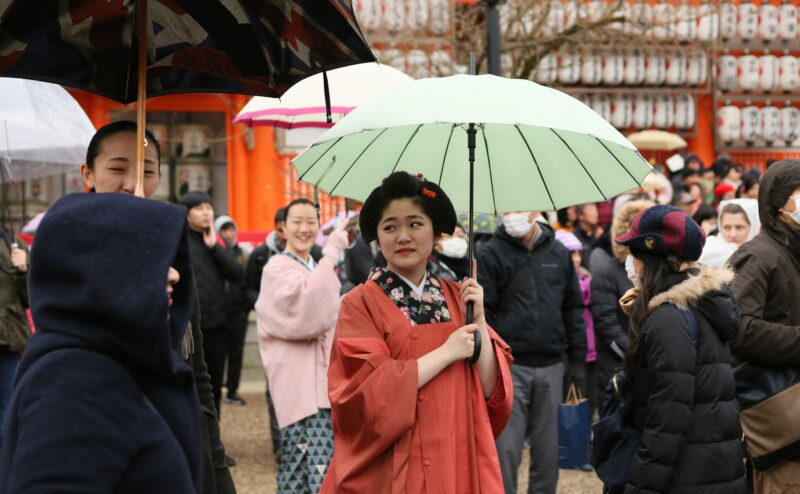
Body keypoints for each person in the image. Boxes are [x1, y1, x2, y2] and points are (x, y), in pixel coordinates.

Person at [320, 172, 513, 493]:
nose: (403, 236)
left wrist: (478, 319)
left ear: (436, 232)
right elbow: (362, 396)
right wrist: (446, 353)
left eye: (414, 224)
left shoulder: (458, 296)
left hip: (456, 452)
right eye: (390, 227)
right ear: (378, 237)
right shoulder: (359, 303)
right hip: (394, 462)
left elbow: (492, 393)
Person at [0, 193, 202, 492]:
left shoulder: (123, 357)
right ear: (102, 268)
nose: (174, 274)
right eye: (150, 257)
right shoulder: (73, 381)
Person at [79, 121, 235, 493]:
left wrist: (213, 455)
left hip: (178, 435)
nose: (132, 183)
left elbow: (195, 370)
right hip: (107, 441)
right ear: (88, 173)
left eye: (147, 171)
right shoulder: (73, 250)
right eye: (117, 168)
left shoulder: (172, 243)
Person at [615, 205, 746, 494]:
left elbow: (667, 421)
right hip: (714, 470)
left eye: (634, 255)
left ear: (651, 259)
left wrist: (641, 487)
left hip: (685, 477)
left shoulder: (668, 319)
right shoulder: (705, 303)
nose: (630, 264)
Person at [478, 209, 585, 494]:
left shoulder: (559, 252)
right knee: (506, 450)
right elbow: (483, 314)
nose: (512, 215)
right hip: (509, 366)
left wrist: (577, 361)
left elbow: (573, 308)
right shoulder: (490, 253)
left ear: (535, 211)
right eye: (507, 210)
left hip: (552, 362)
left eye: (519, 208)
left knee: (548, 451)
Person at [256, 198, 347, 493]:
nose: (304, 228)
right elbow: (309, 312)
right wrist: (331, 254)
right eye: (297, 221)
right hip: (300, 391)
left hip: (321, 387)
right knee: (304, 473)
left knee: (319, 474)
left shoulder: (308, 267)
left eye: (311, 221)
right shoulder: (276, 268)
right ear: (283, 227)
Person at [728, 160, 800, 493]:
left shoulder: (792, 251)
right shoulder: (758, 256)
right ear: (778, 200)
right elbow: (740, 329)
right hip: (777, 412)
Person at [180, 191, 244, 419]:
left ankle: (214, 443)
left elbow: (237, 274)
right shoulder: (179, 241)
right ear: (187, 214)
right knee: (191, 385)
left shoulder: (214, 243)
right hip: (189, 326)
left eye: (208, 207)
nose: (206, 213)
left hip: (218, 324)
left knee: (214, 386)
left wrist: (214, 247)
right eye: (199, 208)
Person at [588, 199, 653, 412]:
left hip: (651, 364)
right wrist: (637, 353)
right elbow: (607, 324)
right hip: (617, 365)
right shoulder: (607, 272)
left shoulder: (654, 273)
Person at [555, 230, 596, 414]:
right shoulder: (559, 283)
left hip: (588, 348)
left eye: (579, 253)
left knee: (583, 398)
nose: (577, 259)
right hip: (565, 350)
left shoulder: (587, 278)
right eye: (572, 254)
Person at [214, 215, 250, 406]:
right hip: (219, 312)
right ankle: (216, 389)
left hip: (238, 311)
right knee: (219, 354)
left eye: (230, 229)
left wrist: (246, 305)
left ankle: (232, 390)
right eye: (224, 230)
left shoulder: (243, 253)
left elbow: (247, 281)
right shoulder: (213, 252)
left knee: (236, 353)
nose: (228, 234)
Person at [0, 227, 29, 447]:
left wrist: (23, 270)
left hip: (7, 341)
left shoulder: (14, 243)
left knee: (8, 414)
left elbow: (31, 299)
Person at [698, 199, 760, 268]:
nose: (733, 235)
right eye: (727, 228)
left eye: (739, 227)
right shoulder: (708, 249)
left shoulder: (762, 255)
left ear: (754, 227)